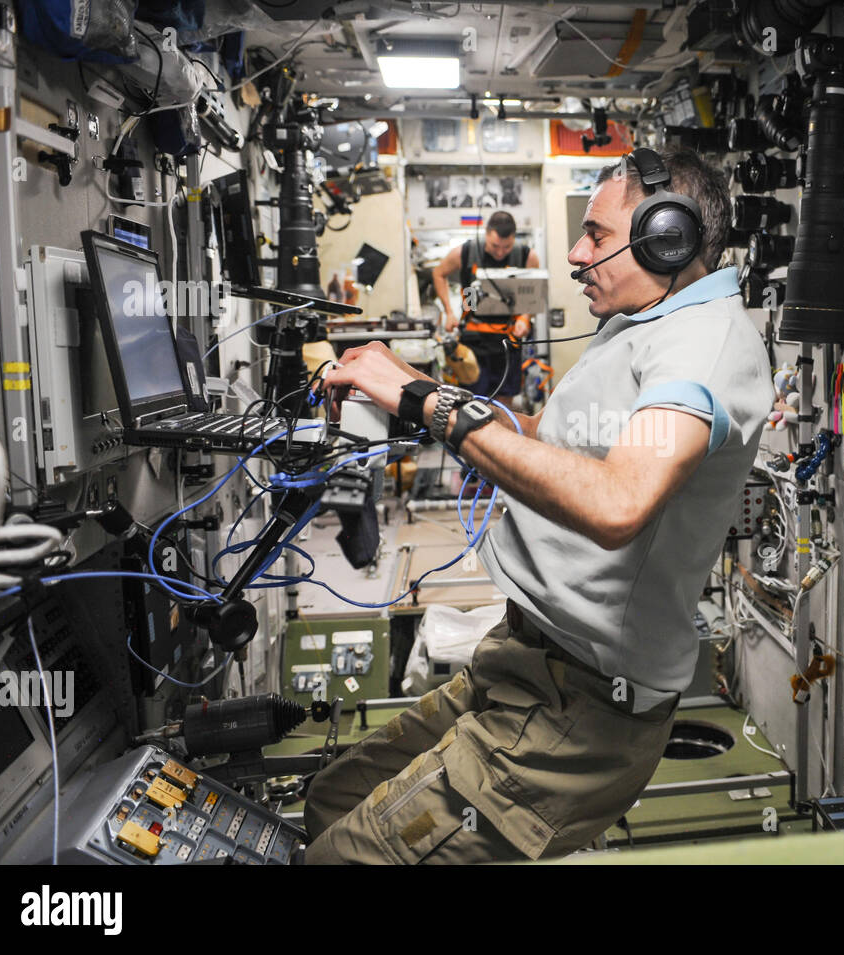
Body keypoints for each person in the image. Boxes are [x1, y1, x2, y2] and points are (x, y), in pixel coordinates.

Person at [309, 148, 773, 864]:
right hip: (524, 657)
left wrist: (431, 406)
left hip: (580, 707)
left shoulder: (703, 346)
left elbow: (619, 499)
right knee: (331, 801)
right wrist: (413, 381)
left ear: (667, 237)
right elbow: (555, 444)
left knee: (341, 856)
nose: (576, 253)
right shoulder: (643, 321)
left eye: (594, 235)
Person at [431, 211, 540, 401]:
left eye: (506, 247)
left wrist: (525, 317)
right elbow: (439, 273)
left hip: (508, 340)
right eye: (495, 246)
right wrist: (449, 312)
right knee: (471, 402)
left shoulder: (526, 256)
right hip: (473, 340)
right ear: (486, 234)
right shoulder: (465, 252)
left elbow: (533, 293)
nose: (500, 252)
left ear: (514, 238)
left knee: (504, 403)